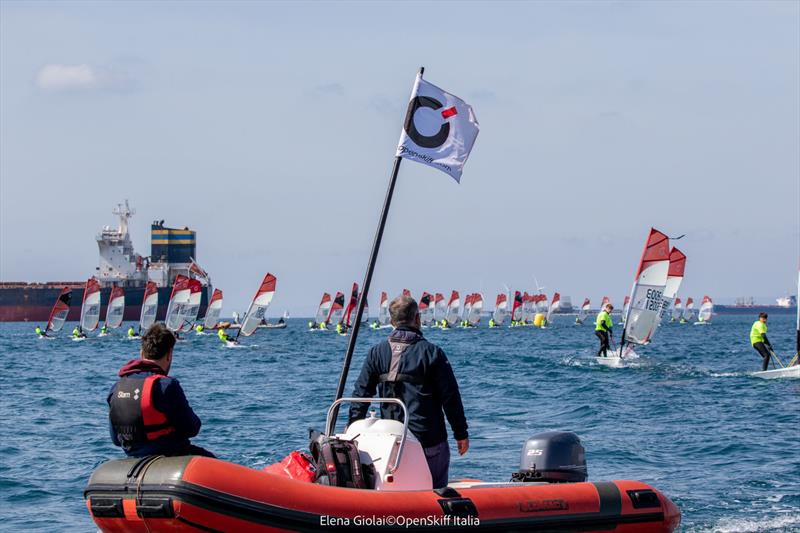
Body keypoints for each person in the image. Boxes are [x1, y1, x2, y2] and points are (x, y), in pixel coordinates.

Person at [348, 295, 469, 489]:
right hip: (427, 440)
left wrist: (353, 430)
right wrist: (460, 433)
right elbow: (450, 397)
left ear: (392, 321)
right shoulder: (432, 353)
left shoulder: (376, 353)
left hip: (391, 440)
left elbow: (360, 396)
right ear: (418, 319)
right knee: (436, 485)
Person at [107, 323, 214, 458]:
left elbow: (116, 440)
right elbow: (192, 428)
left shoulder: (115, 389)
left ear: (142, 353)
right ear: (169, 354)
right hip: (170, 458)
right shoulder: (166, 386)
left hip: (133, 459)